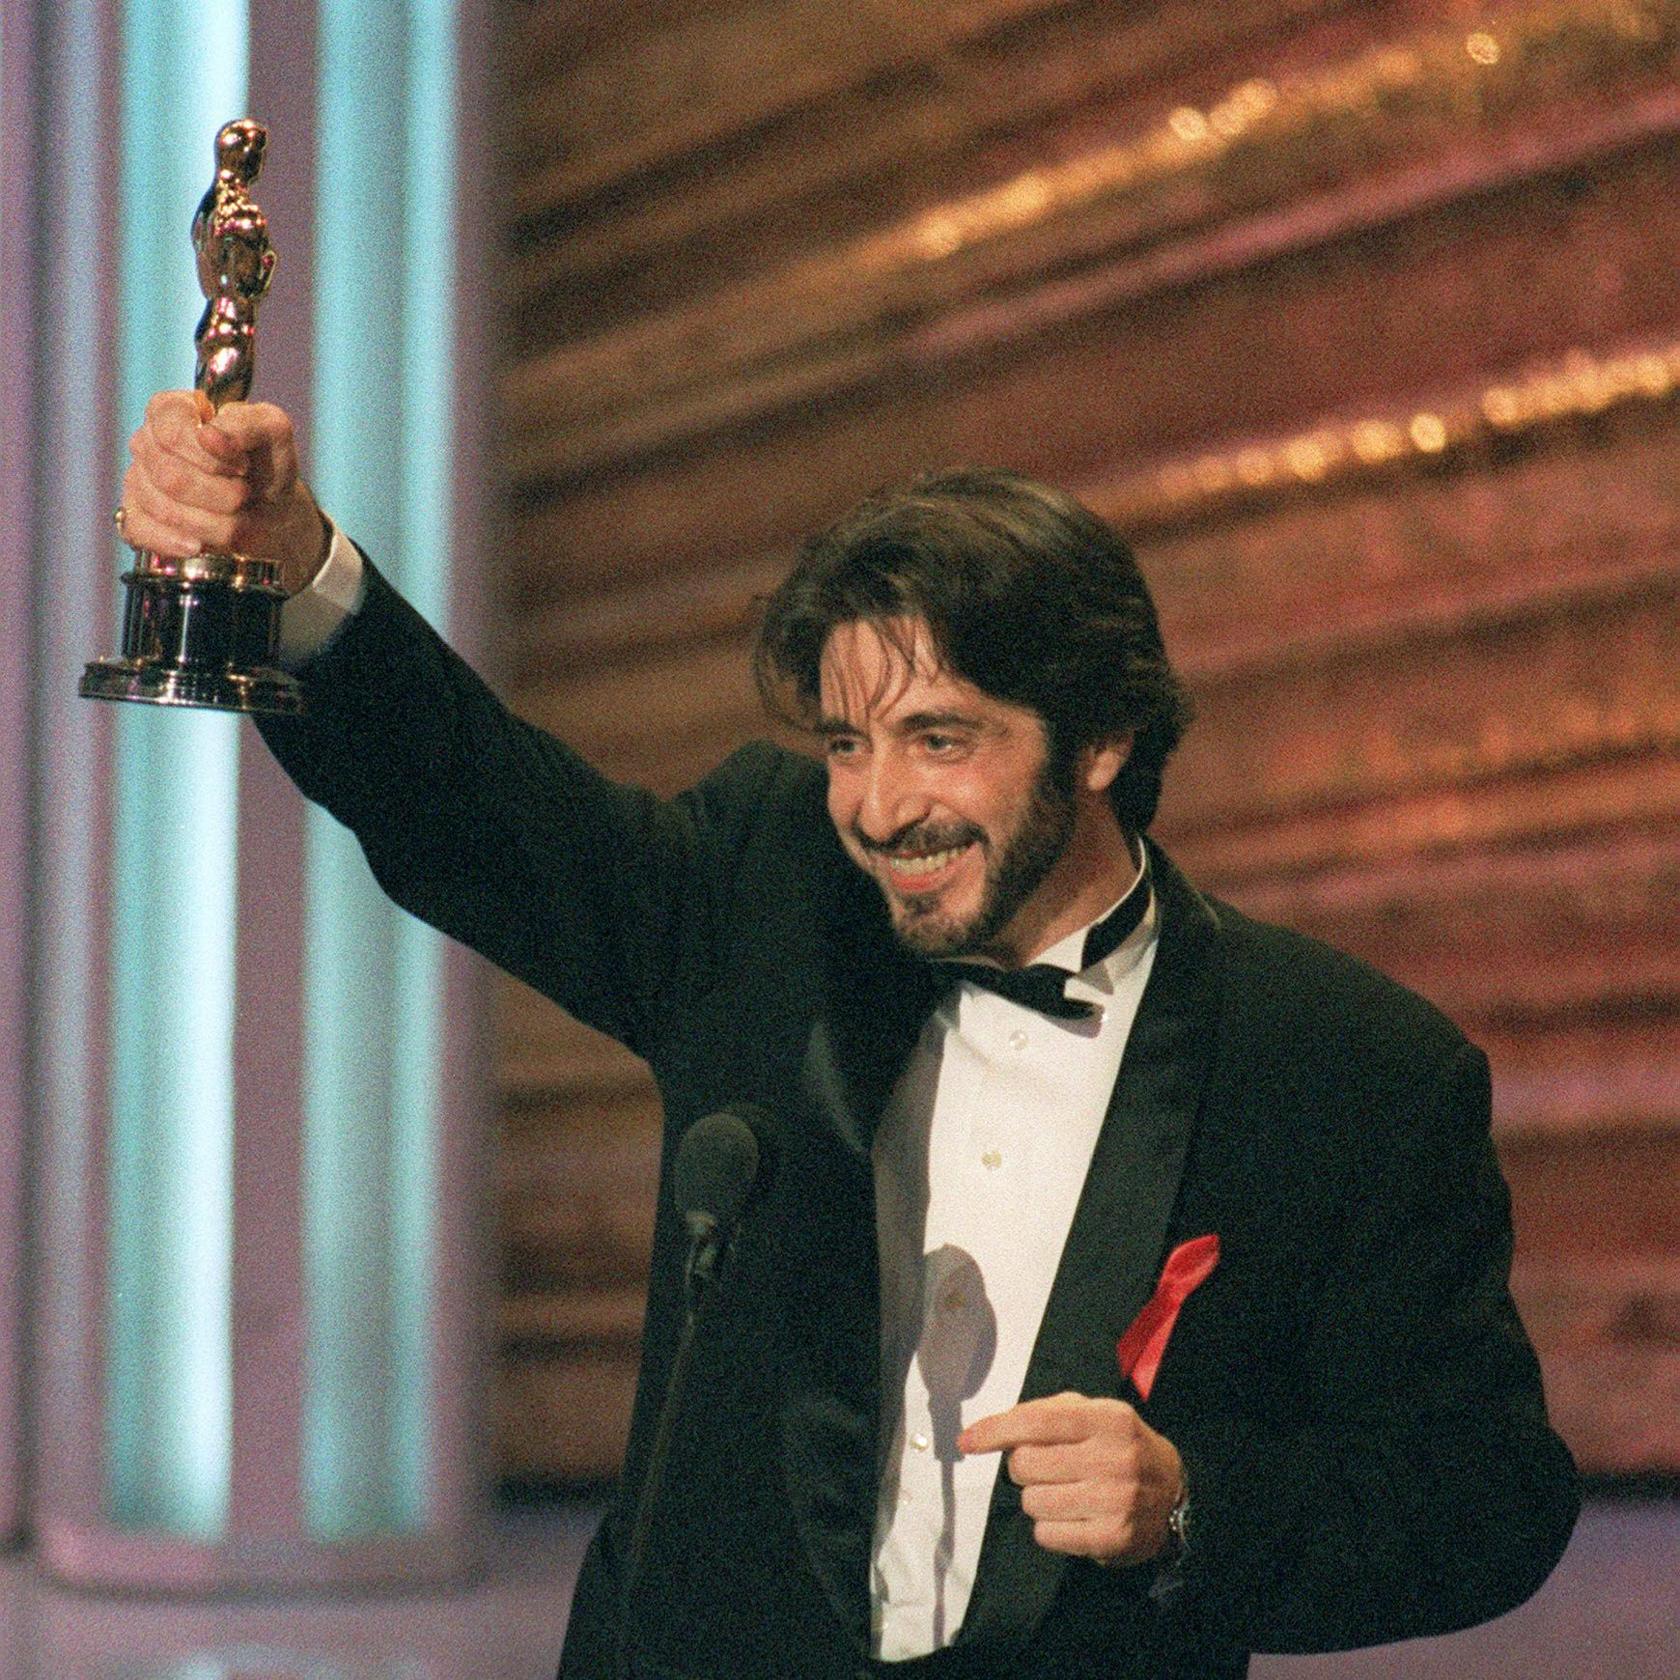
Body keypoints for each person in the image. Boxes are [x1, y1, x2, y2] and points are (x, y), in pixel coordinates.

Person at [118, 392, 1579, 1680]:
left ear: (1102, 740)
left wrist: (1194, 1505)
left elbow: (1486, 1502)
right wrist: (295, 567)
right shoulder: (771, 888)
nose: (879, 808)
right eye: (844, 743)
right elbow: (480, 811)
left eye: (939, 738)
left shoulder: (1347, 1071)